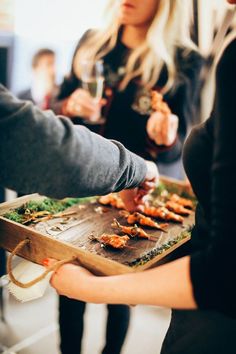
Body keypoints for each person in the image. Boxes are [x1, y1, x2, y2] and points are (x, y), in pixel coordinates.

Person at [47, 2, 236, 354]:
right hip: (80, 187)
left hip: (137, 191)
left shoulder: (183, 59)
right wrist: (67, 106)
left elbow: (188, 145)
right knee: (68, 284)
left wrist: (164, 140)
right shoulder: (92, 42)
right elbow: (57, 107)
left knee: (122, 281)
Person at [0, 84, 158, 204]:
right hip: (95, 175)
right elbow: (47, 148)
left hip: (106, 176)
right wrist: (134, 169)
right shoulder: (90, 45)